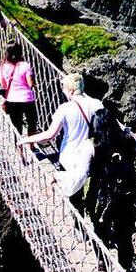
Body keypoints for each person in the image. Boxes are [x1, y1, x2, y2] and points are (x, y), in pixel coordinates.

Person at [17, 72, 103, 202]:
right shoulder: (97, 104)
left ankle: (77, 218)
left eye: (64, 89)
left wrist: (26, 139)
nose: (63, 92)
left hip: (70, 159)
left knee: (74, 199)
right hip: (93, 158)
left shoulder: (65, 109)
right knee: (92, 197)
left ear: (71, 90)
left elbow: (49, 135)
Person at [86, 103, 136, 272]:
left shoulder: (92, 147)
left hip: (101, 196)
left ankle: (103, 268)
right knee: (124, 234)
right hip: (127, 194)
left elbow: (82, 173)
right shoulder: (129, 140)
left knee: (100, 231)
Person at [0, 41, 37, 135]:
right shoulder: (26, 65)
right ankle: (31, 144)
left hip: (12, 99)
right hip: (27, 98)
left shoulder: (3, 67)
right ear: (20, 52)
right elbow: (31, 83)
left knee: (16, 125)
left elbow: (3, 85)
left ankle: (19, 147)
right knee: (32, 122)